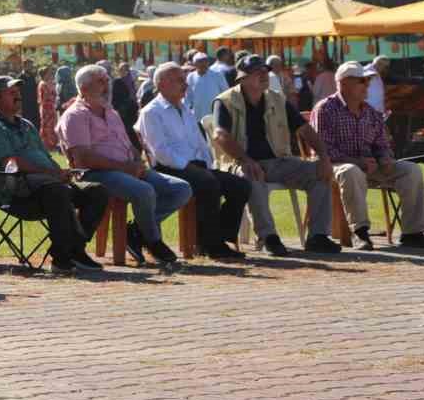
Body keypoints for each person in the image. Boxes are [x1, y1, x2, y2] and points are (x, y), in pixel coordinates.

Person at [58, 64, 191, 268]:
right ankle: (153, 241)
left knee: (181, 188)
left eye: (107, 79)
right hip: (96, 174)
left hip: (125, 169)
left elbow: (128, 145)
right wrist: (125, 168)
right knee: (144, 191)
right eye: (101, 81)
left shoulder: (111, 113)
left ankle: (136, 231)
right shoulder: (75, 116)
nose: (107, 84)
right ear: (84, 89)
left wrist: (137, 162)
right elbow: (83, 158)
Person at [210, 54, 342, 256]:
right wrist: (245, 160)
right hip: (239, 163)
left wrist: (324, 157)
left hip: (279, 161)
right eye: (257, 73)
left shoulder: (277, 99)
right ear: (242, 78)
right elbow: (220, 135)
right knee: (252, 176)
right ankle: (268, 237)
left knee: (319, 173)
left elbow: (305, 129)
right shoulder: (225, 100)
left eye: (265, 71)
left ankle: (318, 236)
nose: (264, 76)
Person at [0, 76, 108, 274]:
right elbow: (11, 163)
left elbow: (45, 157)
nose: (18, 96)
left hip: (48, 185)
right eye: (11, 93)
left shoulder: (27, 125)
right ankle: (62, 259)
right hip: (17, 192)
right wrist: (52, 173)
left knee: (96, 191)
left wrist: (61, 172)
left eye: (18, 92)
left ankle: (74, 248)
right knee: (57, 192)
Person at [312, 62, 424, 249]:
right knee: (351, 171)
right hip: (336, 166)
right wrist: (357, 161)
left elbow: (382, 144)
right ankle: (360, 233)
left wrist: (385, 158)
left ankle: (413, 233)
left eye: (368, 81)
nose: (367, 85)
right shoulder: (326, 109)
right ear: (344, 83)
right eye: (362, 81)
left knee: (411, 170)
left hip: (371, 166)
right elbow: (324, 150)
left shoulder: (371, 112)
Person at [136, 62, 249, 260]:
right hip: (169, 168)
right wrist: (190, 167)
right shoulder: (151, 112)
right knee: (208, 183)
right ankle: (211, 244)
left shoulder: (185, 108)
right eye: (179, 80)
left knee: (240, 186)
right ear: (162, 84)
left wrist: (207, 164)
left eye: (184, 80)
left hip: (195, 166)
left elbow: (201, 143)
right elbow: (161, 152)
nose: (185, 85)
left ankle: (218, 238)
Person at [185, 51, 228, 125]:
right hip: (198, 115)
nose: (203, 64)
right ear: (195, 64)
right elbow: (188, 96)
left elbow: (225, 92)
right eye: (200, 62)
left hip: (215, 114)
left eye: (205, 61)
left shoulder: (217, 75)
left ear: (208, 63)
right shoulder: (191, 77)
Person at [39, 68, 60, 149]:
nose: (50, 75)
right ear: (44, 74)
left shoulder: (49, 83)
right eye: (48, 73)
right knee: (47, 125)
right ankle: (47, 144)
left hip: (51, 107)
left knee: (52, 125)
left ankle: (53, 143)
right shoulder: (43, 84)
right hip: (46, 107)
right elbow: (46, 97)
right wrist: (53, 95)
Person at [16, 63, 40, 128]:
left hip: (34, 103)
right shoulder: (20, 77)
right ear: (24, 66)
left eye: (31, 66)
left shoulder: (33, 76)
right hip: (25, 103)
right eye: (29, 66)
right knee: (26, 122)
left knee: (36, 122)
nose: (31, 67)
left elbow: (36, 88)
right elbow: (18, 91)